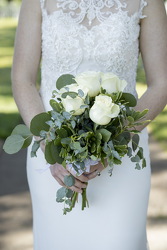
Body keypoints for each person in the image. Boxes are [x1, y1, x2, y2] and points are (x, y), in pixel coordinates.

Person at [11, 0, 167, 249]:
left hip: (122, 154)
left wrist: (114, 142)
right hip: (52, 154)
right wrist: (50, 146)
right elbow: (22, 78)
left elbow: (161, 82)